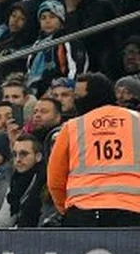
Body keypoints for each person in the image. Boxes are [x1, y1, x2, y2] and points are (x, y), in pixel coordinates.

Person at [48, 73, 140, 226]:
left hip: (83, 212)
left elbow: (55, 179)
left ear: (93, 96)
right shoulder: (137, 120)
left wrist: (66, 209)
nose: (75, 101)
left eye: (78, 96)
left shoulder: (72, 127)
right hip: (132, 211)